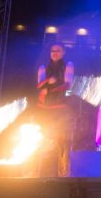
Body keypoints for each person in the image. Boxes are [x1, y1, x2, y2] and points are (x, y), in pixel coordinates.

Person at [35, 43, 75, 177]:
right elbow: (39, 85)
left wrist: (52, 87)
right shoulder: (43, 67)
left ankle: (63, 175)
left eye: (58, 50)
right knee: (44, 140)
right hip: (44, 109)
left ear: (63, 52)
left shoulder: (68, 65)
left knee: (62, 142)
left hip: (60, 109)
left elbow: (68, 84)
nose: (55, 53)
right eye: (53, 50)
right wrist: (48, 81)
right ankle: (41, 174)